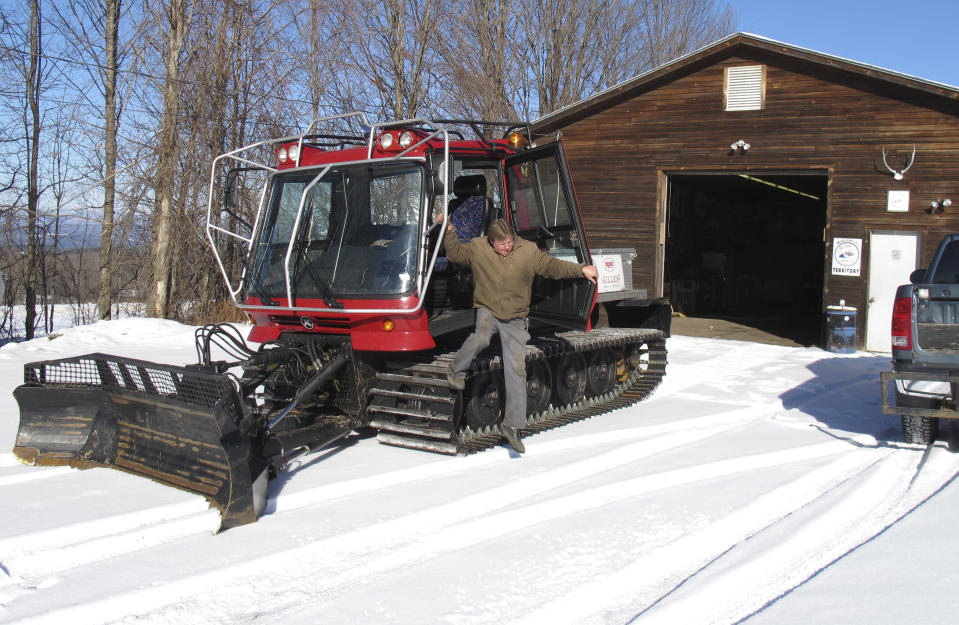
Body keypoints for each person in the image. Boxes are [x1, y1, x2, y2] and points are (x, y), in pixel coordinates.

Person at [440, 215, 598, 453]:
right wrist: (449, 230)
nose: (507, 246)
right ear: (491, 242)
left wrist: (580, 269)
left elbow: (552, 266)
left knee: (516, 368)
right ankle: (456, 370)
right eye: (502, 244)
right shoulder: (477, 248)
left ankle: (512, 427)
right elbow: (455, 255)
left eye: (510, 241)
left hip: (515, 317)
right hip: (488, 310)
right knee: (481, 337)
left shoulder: (528, 251)